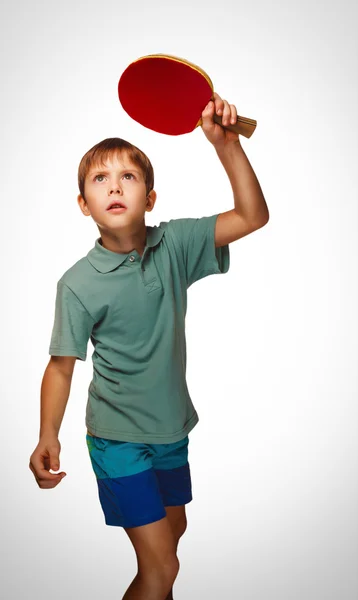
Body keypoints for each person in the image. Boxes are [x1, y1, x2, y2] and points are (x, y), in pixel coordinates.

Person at [29, 92, 269, 600]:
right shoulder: (77, 283)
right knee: (160, 570)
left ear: (151, 198)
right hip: (117, 439)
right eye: (100, 179)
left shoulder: (175, 245)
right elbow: (61, 367)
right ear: (83, 204)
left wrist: (225, 146)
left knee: (171, 545)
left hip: (171, 430)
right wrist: (48, 432)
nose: (115, 186)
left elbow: (252, 217)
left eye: (129, 177)